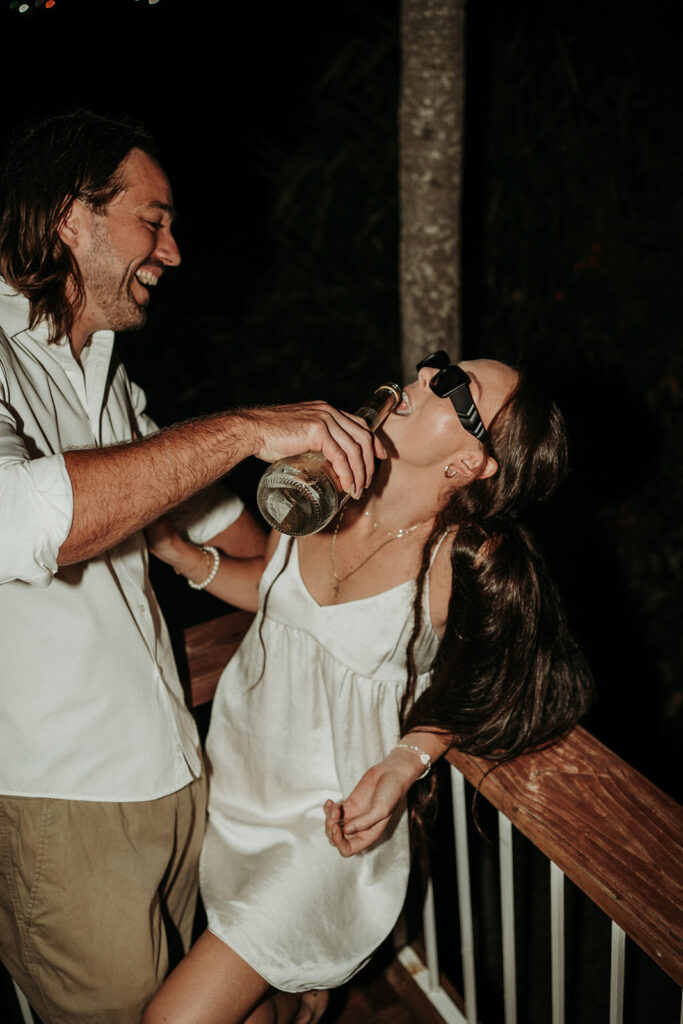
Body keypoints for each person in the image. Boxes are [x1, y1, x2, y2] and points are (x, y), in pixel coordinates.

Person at [0, 110, 382, 1024]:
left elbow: (245, 538)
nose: (172, 252)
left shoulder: (106, 376)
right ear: (70, 217)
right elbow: (19, 520)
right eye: (154, 220)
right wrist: (246, 429)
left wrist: (327, 506)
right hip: (64, 799)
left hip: (174, 772)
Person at [142, 352, 594, 1024]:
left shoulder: (464, 556)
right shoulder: (318, 479)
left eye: (450, 386)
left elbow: (508, 683)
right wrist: (187, 558)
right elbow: (274, 599)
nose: (419, 378)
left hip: (331, 824)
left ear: (468, 464)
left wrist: (405, 761)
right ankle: (299, 1006)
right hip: (240, 782)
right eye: (433, 366)